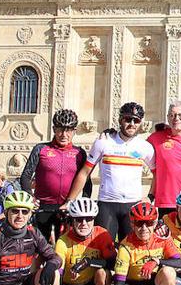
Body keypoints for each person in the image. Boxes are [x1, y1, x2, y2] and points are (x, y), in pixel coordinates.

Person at [66, 101, 156, 242]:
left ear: (140, 123)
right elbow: (84, 172)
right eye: (127, 119)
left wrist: (150, 196)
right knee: (103, 249)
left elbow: (157, 173)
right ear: (120, 120)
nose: (132, 123)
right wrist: (70, 200)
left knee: (129, 251)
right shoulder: (103, 142)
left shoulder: (145, 147)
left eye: (136, 120)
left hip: (132, 205)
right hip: (107, 205)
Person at [21, 108, 90, 243]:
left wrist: (84, 204)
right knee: (40, 247)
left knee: (65, 247)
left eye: (68, 130)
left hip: (67, 207)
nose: (64, 134)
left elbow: (86, 182)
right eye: (60, 129)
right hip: (43, 206)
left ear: (74, 131)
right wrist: (30, 197)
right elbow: (25, 175)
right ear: (54, 129)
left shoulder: (79, 152)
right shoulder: (41, 149)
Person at [53, 197, 115, 285]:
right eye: (79, 220)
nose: (84, 223)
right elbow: (56, 277)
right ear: (72, 220)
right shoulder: (63, 241)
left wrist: (89, 262)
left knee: (103, 273)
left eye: (88, 219)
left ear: (94, 219)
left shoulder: (102, 234)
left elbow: (113, 264)